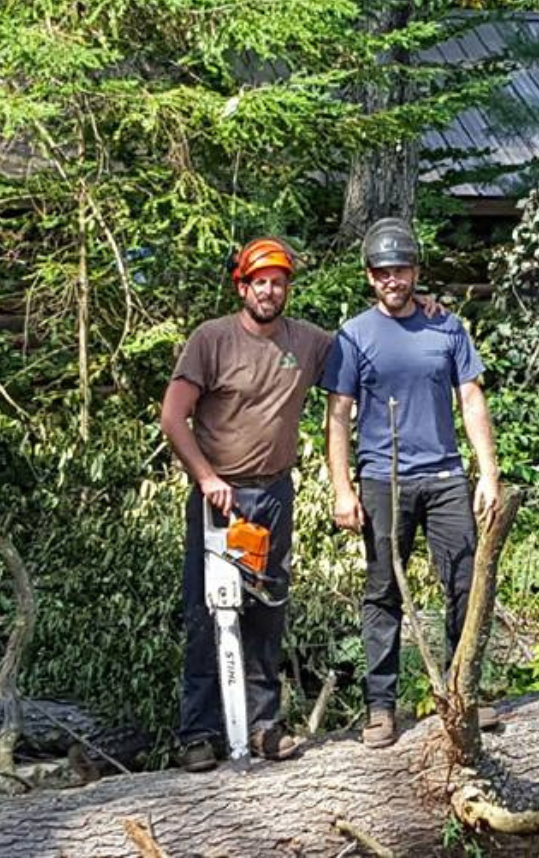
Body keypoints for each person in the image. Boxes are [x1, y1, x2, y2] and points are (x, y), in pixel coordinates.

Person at [322, 217, 502, 749]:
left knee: (465, 583)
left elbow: (471, 398)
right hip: (382, 479)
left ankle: (464, 691)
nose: (391, 279)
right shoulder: (354, 335)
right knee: (382, 591)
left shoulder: (446, 327)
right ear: (369, 276)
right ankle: (381, 708)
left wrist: (487, 471)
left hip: (445, 476)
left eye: (400, 269)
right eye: (382, 271)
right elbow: (337, 414)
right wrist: (342, 487)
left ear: (415, 272)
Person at [159, 237, 329, 772]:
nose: (270, 290)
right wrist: (206, 477)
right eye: (261, 281)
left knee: (266, 611)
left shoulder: (306, 341)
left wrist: (423, 309)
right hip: (222, 499)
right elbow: (173, 417)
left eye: (278, 282)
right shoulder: (212, 340)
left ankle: (263, 727)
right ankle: (199, 733)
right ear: (243, 286)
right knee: (210, 611)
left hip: (273, 493)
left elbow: (366, 349)